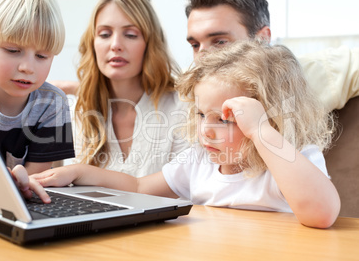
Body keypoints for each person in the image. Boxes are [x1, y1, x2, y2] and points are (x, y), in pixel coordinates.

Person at [26, 40, 340, 228]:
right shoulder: (199, 162)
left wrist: (261, 132)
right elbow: (138, 185)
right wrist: (81, 171)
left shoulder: (291, 159)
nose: (206, 130)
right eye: (203, 115)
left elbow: (322, 214)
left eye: (226, 119)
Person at [68, 0, 189, 177]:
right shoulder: (78, 111)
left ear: (150, 44)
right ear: (92, 43)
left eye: (131, 35)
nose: (115, 45)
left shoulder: (181, 108)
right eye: (104, 34)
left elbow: (183, 189)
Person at [185, 0, 359, 112]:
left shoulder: (312, 74)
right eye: (195, 45)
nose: (202, 58)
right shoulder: (189, 100)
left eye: (220, 42)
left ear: (262, 38)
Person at [0, 0, 75, 175]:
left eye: (41, 56)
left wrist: (23, 182)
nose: (28, 68)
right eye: (13, 51)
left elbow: (35, 179)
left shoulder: (53, 104)